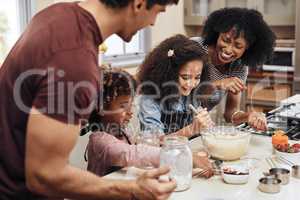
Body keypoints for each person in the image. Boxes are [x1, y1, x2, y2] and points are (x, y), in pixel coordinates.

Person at [0, 0, 179, 199]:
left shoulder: (57, 14)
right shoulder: (73, 60)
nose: (153, 23)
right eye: (158, 12)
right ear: (139, 3)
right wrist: (133, 190)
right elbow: (44, 175)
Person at [82, 68, 213, 177]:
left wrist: (179, 151)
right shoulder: (100, 141)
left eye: (131, 105)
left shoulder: (122, 131)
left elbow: (148, 148)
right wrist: (186, 158)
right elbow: (132, 154)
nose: (130, 112)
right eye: (123, 106)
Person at [193, 7, 276, 131]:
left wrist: (249, 116)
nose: (228, 49)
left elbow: (230, 114)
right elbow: (181, 92)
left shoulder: (239, 67)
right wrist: (218, 84)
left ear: (247, 48)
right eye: (225, 40)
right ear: (217, 34)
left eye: (238, 45)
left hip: (197, 126)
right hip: (170, 124)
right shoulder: (197, 48)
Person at [137, 34, 214, 138]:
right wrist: (192, 129)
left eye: (197, 77)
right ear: (168, 74)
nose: (191, 84)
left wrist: (205, 124)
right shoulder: (149, 100)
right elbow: (154, 143)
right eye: (185, 77)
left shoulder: (192, 95)